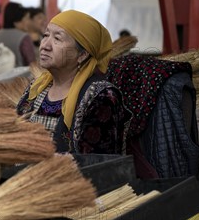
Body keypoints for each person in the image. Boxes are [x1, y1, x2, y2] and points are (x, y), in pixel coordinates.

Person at [16, 10, 130, 155]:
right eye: (45, 35)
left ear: (82, 55)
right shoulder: (36, 88)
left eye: (57, 39)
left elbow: (97, 164)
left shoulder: (101, 97)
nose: (45, 45)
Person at [0, 2, 36, 66]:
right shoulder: (24, 38)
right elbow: (32, 63)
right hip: (19, 75)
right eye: (26, 18)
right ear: (16, 20)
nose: (28, 22)